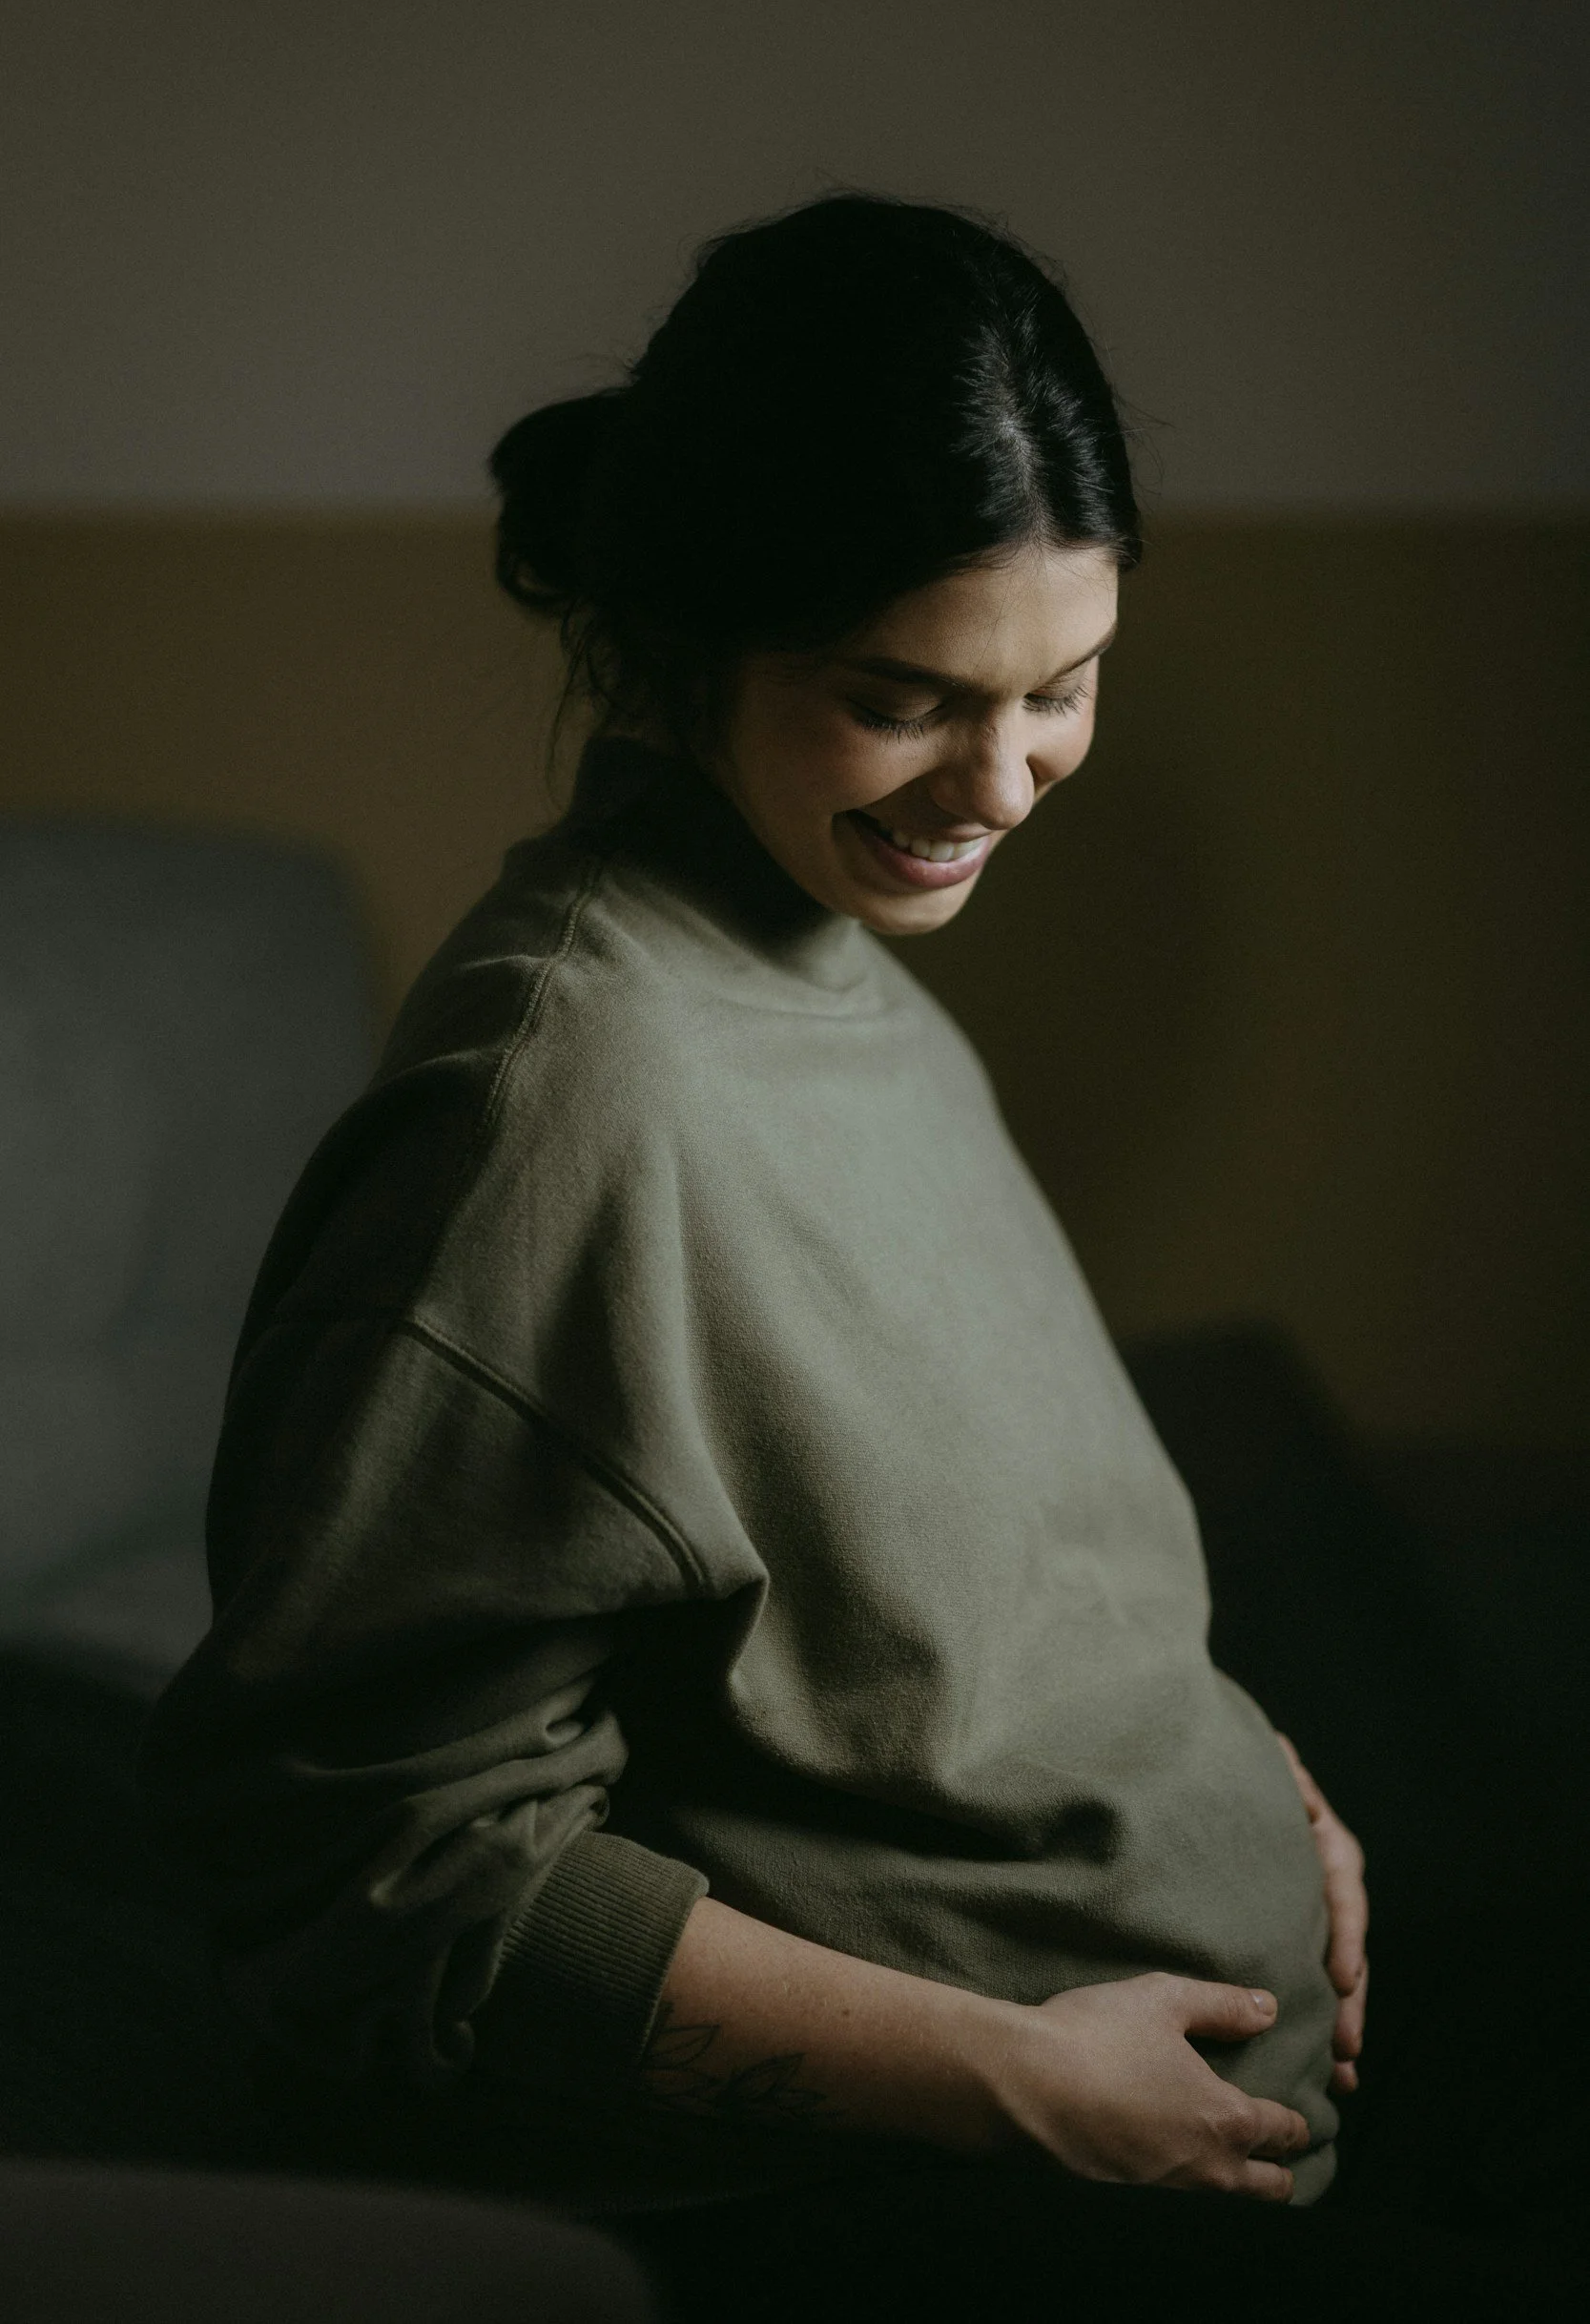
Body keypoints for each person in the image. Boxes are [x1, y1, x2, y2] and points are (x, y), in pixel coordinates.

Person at [137, 196, 1583, 2321]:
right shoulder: (551, 1107)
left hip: (1222, 2079)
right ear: (685, 635)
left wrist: (1250, 1789)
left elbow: (943, 1567)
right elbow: (369, 1867)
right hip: (928, 2198)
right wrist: (1009, 2078)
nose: (996, 783)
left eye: (1060, 688)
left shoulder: (826, 949)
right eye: (898, 697)